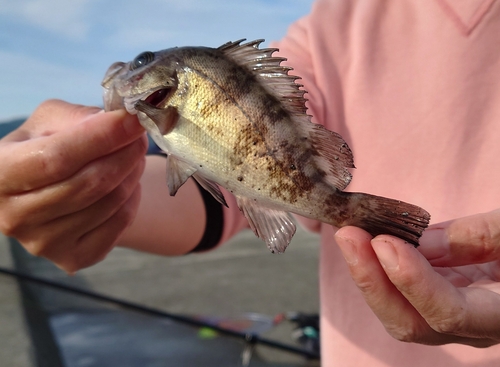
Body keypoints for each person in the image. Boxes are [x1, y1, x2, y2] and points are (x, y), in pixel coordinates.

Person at [1, 0, 500, 365]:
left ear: (161, 83)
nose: (125, 73)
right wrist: (84, 189)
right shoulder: (336, 24)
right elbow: (210, 199)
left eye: (139, 65)